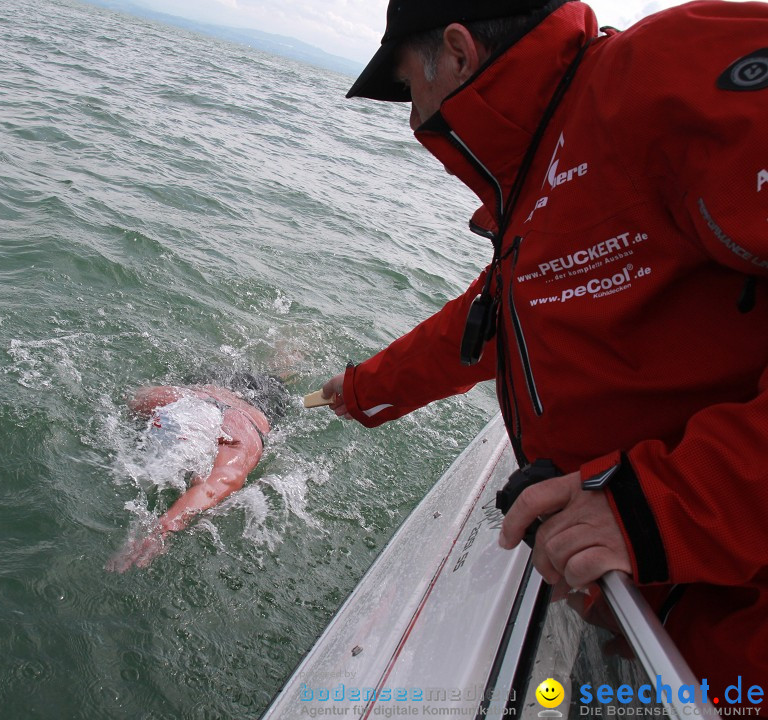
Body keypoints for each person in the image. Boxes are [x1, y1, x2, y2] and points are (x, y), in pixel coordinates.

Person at [321, 0, 768, 696]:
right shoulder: (542, 190)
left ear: (461, 52)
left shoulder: (668, 75)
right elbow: (478, 328)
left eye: (411, 88)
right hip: (695, 631)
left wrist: (660, 508)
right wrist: (353, 393)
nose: (414, 122)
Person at [107, 382, 273, 572]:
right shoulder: (158, 401)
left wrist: (166, 526)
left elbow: (210, 489)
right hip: (207, 391)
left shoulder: (237, 446)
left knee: (275, 379)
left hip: (259, 407)